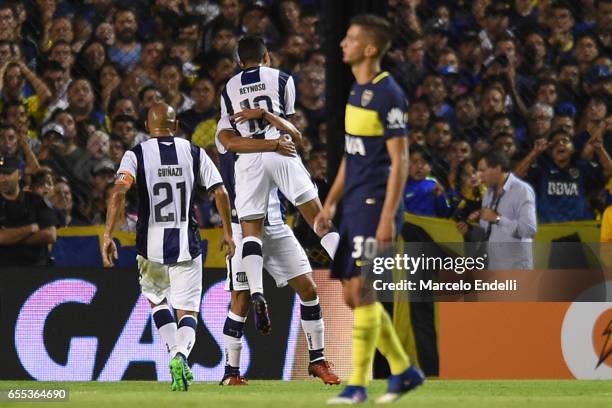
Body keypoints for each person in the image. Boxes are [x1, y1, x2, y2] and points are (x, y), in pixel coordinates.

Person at [314, 14, 424, 404]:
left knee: (361, 291)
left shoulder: (387, 92)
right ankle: (405, 371)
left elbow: (401, 161)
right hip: (354, 206)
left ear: (370, 48)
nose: (343, 43)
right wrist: (330, 201)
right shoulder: (355, 90)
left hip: (377, 205)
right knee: (350, 294)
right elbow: (352, 153)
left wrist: (387, 217)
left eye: (351, 38)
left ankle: (357, 385)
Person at [101, 103, 235, 392]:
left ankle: (174, 354)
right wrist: (227, 231)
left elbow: (118, 193)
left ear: (148, 128)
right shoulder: (193, 151)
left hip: (149, 246)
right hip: (187, 244)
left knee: (158, 302)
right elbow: (220, 191)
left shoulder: (136, 153)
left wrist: (108, 234)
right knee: (188, 312)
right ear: (175, 127)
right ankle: (180, 355)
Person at [217, 35, 339, 335]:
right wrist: (268, 119)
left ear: (238, 60)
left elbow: (229, 139)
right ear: (267, 56)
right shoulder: (284, 79)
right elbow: (291, 127)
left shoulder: (228, 89)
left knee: (251, 234)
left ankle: (258, 292)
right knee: (319, 220)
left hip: (251, 161)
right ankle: (352, 271)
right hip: (281, 150)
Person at [216, 124, 340, 386]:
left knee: (308, 290)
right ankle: (231, 372)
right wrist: (273, 142)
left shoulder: (269, 125)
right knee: (241, 300)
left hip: (275, 225)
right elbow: (232, 144)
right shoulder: (229, 127)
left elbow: (297, 139)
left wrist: (270, 120)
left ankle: (317, 360)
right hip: (244, 227)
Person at [472, 150, 537, 270]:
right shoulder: (488, 193)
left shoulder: (522, 190)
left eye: (482, 170)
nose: (478, 175)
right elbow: (488, 229)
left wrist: (497, 219)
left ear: (497, 168)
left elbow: (529, 230)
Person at [0, 156, 57, 266]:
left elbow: (50, 234)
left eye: (7, 173)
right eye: (0, 174)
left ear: (19, 175)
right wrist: (30, 229)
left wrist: (10, 239)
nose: (3, 179)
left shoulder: (36, 200)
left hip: (37, 268)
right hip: (4, 272)